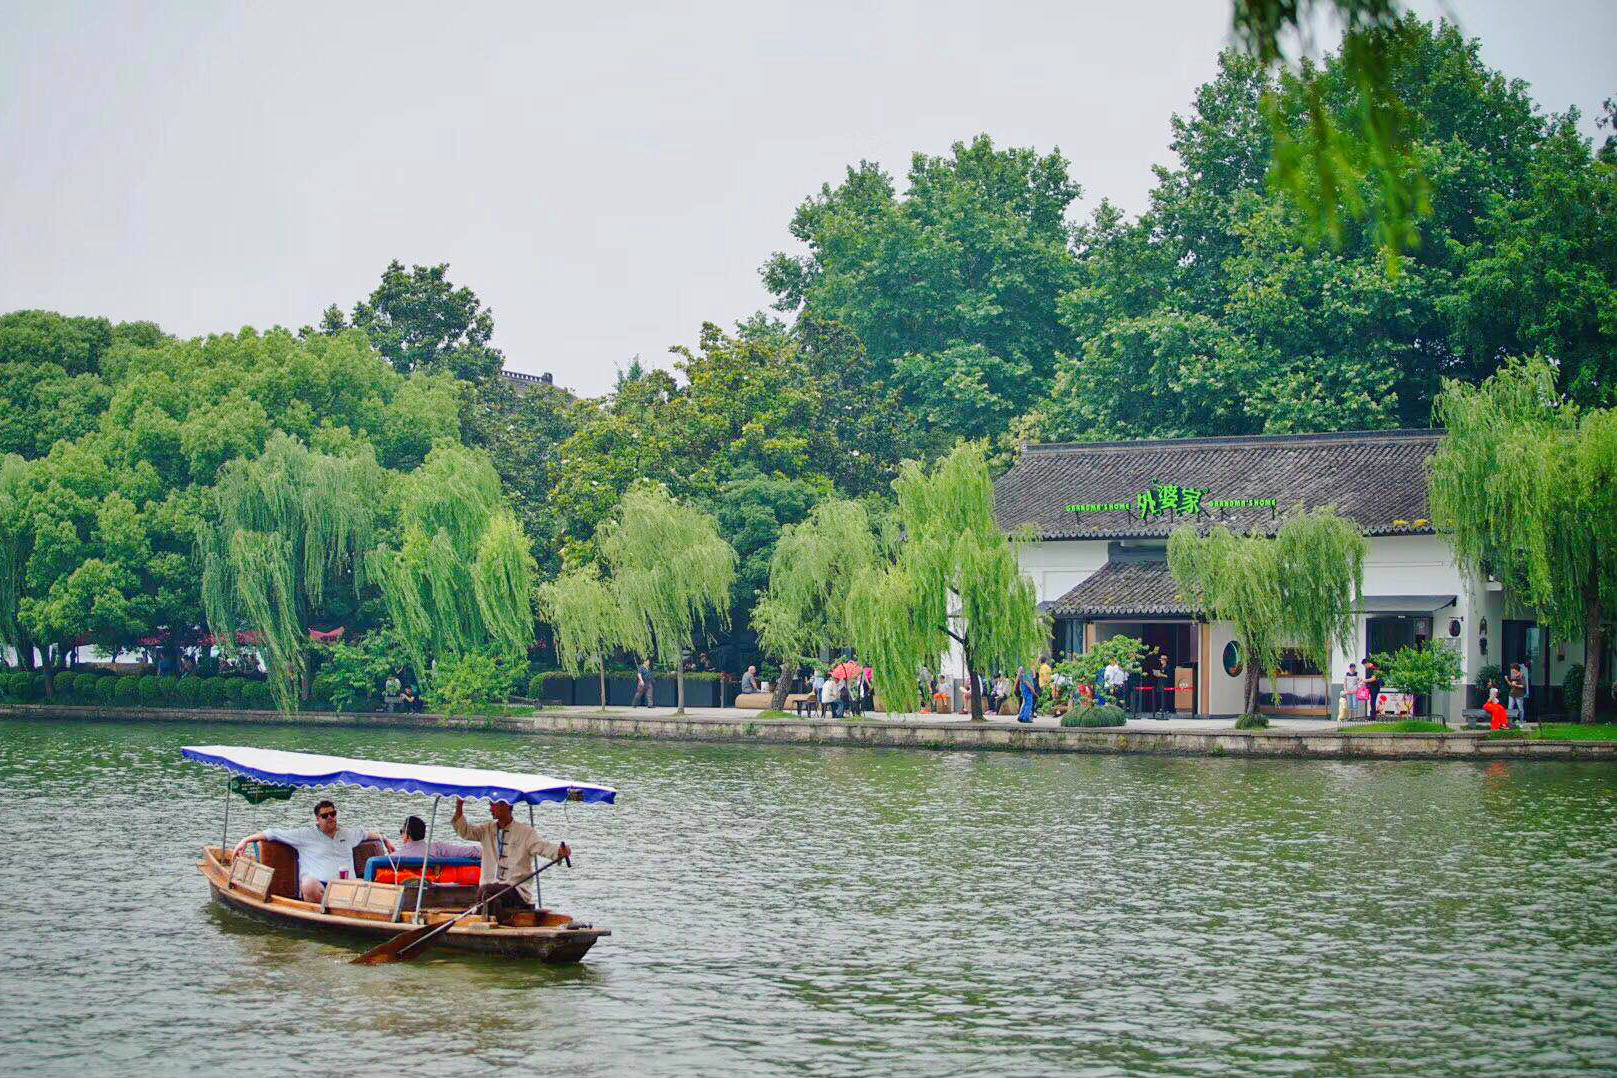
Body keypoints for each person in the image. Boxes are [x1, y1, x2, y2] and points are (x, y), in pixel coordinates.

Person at [232, 800, 393, 904]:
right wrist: (245, 840)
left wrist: (386, 840)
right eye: (325, 816)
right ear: (318, 819)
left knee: (370, 886)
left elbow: (368, 834)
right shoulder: (305, 835)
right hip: (319, 887)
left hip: (346, 886)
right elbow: (272, 833)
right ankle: (321, 916)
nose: (330, 818)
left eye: (333, 814)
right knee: (308, 884)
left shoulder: (348, 833)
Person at [451, 798, 569, 920]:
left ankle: (487, 921)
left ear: (505, 806)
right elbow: (464, 831)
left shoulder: (526, 832)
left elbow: (541, 847)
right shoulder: (486, 830)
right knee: (488, 893)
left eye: (493, 805)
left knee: (486, 890)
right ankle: (496, 924)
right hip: (490, 891)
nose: (490, 809)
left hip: (516, 890)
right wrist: (459, 805)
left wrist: (559, 852)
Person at [393, 815, 480, 862]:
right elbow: (471, 851)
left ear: (407, 836)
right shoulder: (438, 848)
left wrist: (384, 840)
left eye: (402, 832)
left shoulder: (396, 857)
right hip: (436, 887)